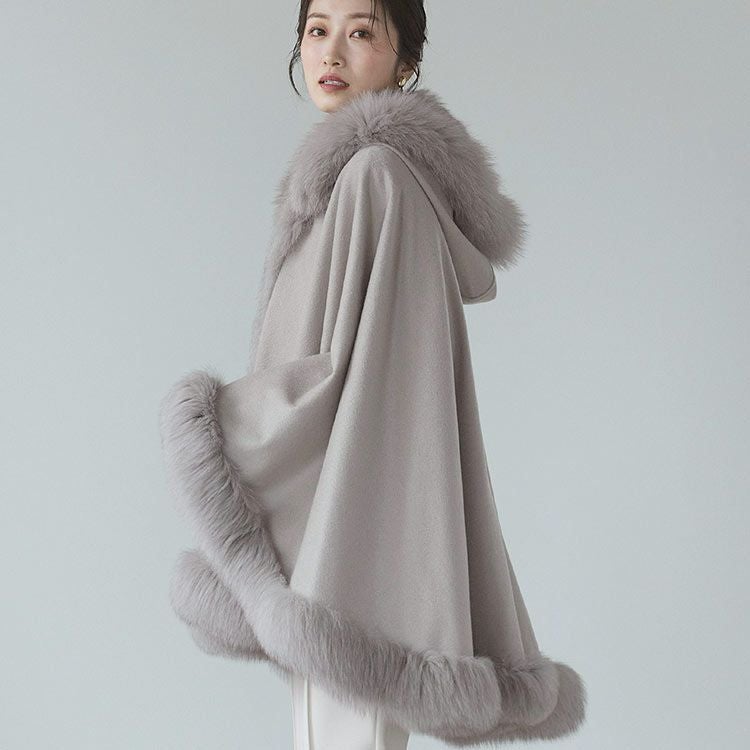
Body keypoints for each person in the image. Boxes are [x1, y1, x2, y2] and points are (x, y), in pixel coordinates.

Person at [160, 0, 587, 747]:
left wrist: (215, 423)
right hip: (352, 529)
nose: (332, 51)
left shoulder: (374, 176)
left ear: (405, 63)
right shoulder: (345, 182)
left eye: (361, 32)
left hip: (353, 539)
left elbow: (364, 386)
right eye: (317, 29)